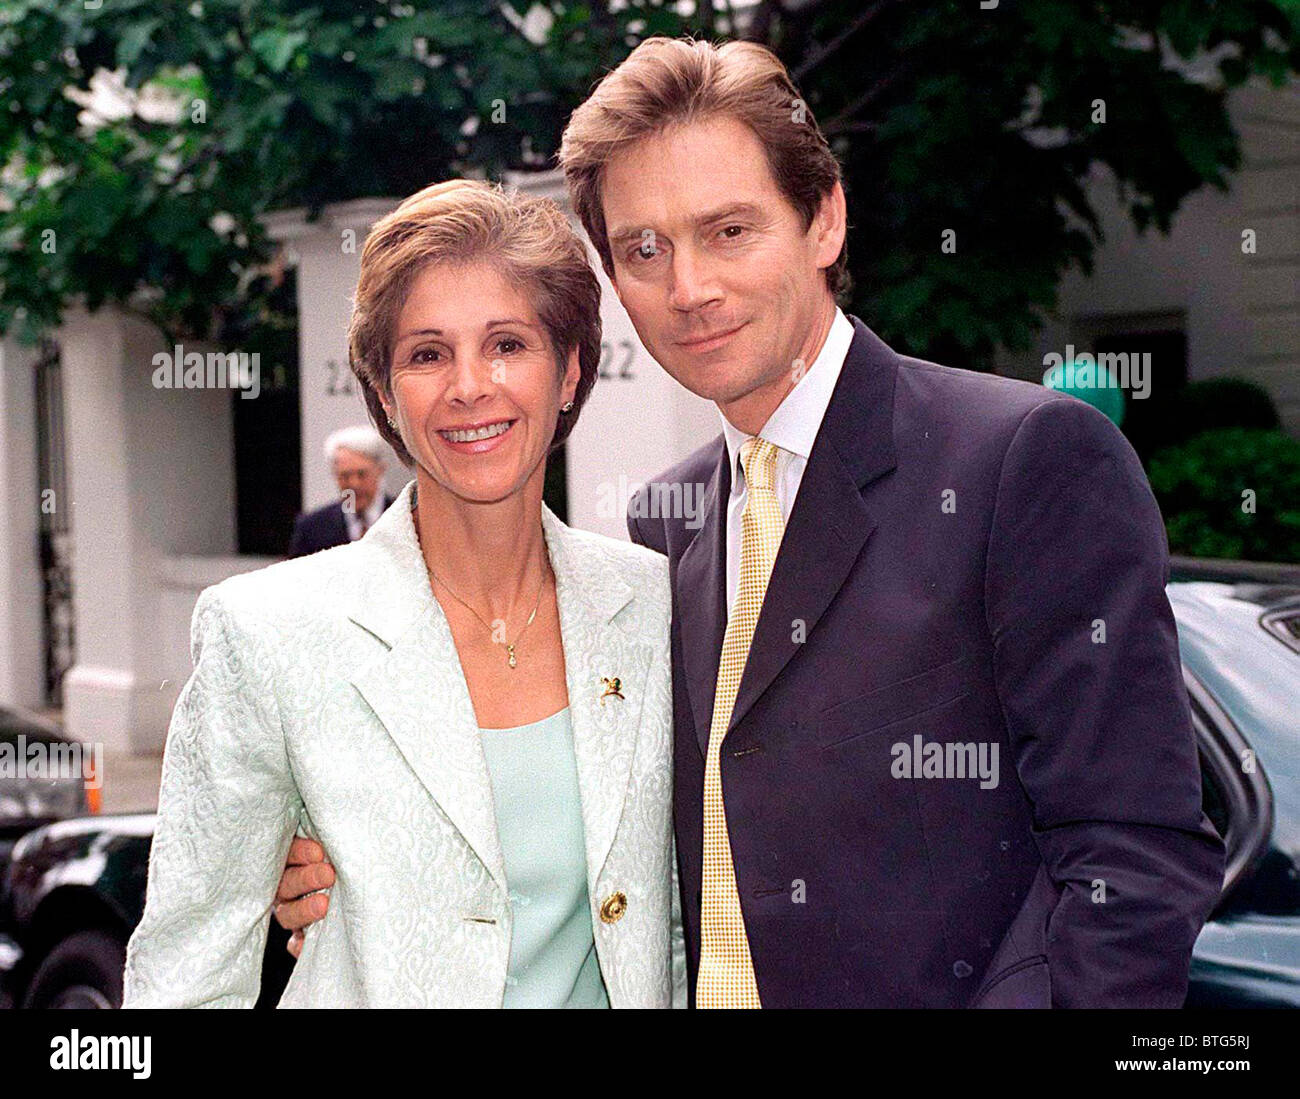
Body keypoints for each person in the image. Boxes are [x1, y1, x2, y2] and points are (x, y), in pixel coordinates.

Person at [276, 37, 1225, 1008]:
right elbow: (600, 833)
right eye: (643, 249)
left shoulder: (1019, 460)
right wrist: (344, 854)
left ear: (823, 220)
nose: (688, 287)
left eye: (729, 230)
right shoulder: (663, 528)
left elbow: (1133, 853)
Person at [123, 179, 683, 1008]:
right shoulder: (269, 632)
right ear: (384, 393)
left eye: (507, 344)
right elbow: (187, 973)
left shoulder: (655, 603)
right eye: (426, 353)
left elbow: (689, 915)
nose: (469, 386)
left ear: (569, 371)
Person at [287, 426, 395, 557]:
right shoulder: (311, 528)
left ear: (380, 470)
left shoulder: (405, 518)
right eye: (345, 476)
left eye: (361, 474)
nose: (354, 484)